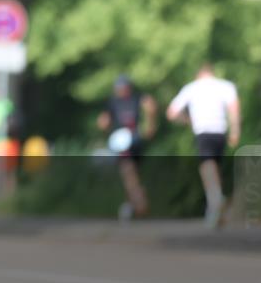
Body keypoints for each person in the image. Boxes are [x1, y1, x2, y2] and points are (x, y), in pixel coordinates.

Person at [166, 63, 241, 228]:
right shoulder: (225, 86)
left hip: (203, 130)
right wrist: (235, 130)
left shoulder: (191, 88)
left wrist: (188, 121)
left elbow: (171, 112)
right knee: (215, 166)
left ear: (198, 74)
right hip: (220, 131)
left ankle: (215, 198)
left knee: (207, 165)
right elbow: (234, 108)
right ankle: (215, 208)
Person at [97, 75, 158, 220]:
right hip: (128, 140)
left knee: (129, 173)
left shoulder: (134, 98)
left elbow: (150, 106)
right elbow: (104, 120)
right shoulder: (115, 101)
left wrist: (150, 125)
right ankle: (132, 204)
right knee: (131, 173)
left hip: (130, 141)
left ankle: (139, 203)